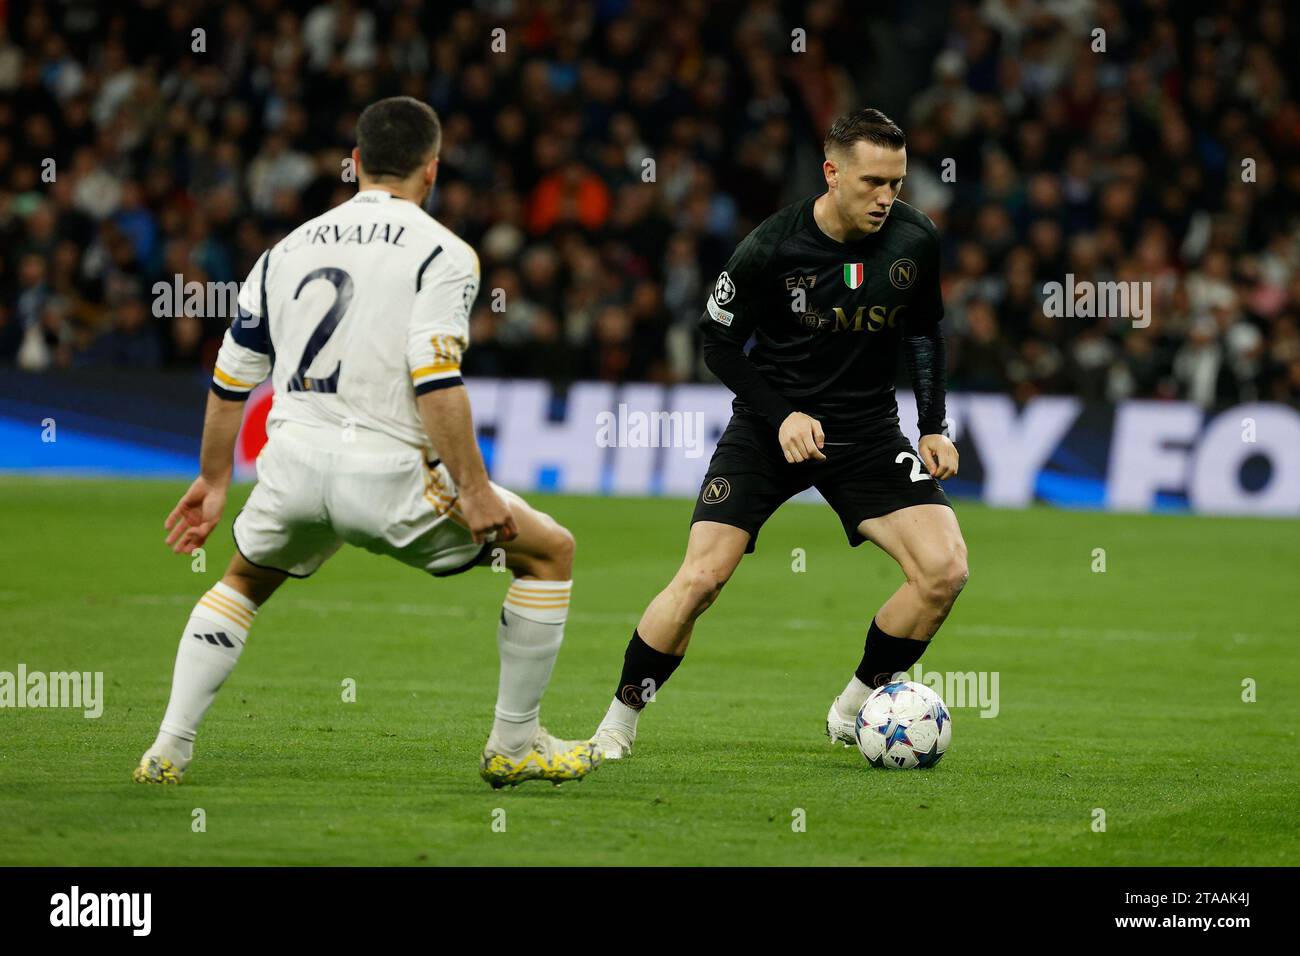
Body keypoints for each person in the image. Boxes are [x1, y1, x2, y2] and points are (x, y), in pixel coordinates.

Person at [133, 97, 600, 790]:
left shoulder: (282, 252)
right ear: (432, 170)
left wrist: (212, 480)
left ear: (353, 163)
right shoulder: (444, 252)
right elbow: (436, 381)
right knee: (549, 551)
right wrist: (474, 491)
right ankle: (515, 743)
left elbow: (231, 379)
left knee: (241, 580)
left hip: (290, 467)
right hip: (389, 475)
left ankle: (167, 751)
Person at [591, 109, 969, 760]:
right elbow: (719, 342)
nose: (887, 197)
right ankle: (618, 722)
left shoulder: (915, 239)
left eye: (897, 183)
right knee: (702, 578)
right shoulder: (772, 245)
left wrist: (932, 425)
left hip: (867, 428)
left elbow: (923, 331)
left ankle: (854, 706)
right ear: (832, 173)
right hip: (771, 425)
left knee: (944, 571)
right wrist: (783, 413)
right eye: (873, 181)